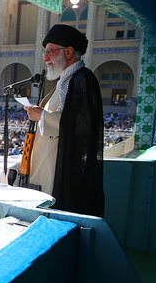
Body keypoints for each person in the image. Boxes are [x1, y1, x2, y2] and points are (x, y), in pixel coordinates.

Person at [25, 24, 104, 216]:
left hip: (61, 168)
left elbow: (80, 125)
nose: (45, 58)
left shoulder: (82, 79)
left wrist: (41, 116)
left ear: (68, 52)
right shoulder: (67, 79)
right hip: (50, 162)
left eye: (50, 52)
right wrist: (42, 113)